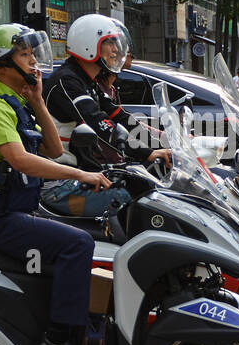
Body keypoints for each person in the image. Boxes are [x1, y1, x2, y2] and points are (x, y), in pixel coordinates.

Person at [0, 22, 112, 345]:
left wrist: (38, 101)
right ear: (1, 66)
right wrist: (80, 175)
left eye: (32, 54)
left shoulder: (17, 103)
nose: (34, 63)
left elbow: (54, 149)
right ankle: (57, 343)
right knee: (78, 243)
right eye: (24, 56)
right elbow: (21, 160)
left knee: (92, 237)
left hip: (17, 209)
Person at [42, 14, 170, 221]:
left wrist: (162, 143)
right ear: (87, 45)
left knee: (146, 187)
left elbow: (118, 115)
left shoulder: (87, 80)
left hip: (80, 172)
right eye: (109, 43)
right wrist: (146, 153)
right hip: (60, 180)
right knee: (131, 198)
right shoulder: (67, 82)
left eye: (116, 43)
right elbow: (101, 124)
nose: (116, 50)